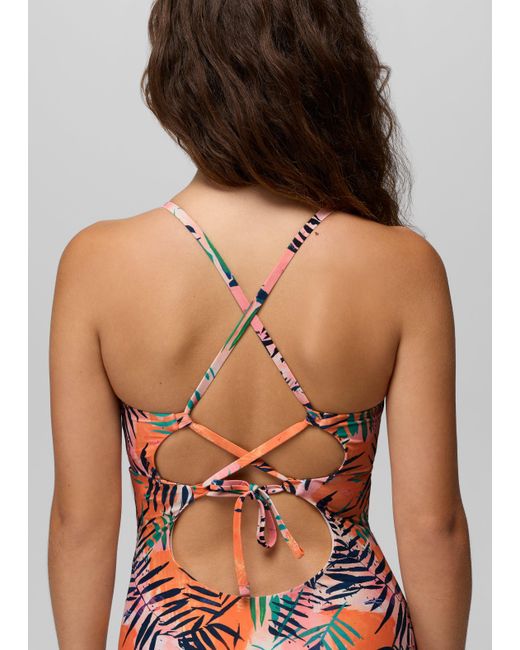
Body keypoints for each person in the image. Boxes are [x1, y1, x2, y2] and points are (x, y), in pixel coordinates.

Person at [48, 1, 472, 648]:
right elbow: (433, 524)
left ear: (178, 74)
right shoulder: (403, 267)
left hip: (177, 627)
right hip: (351, 625)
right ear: (330, 66)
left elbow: (80, 526)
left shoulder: (97, 263)